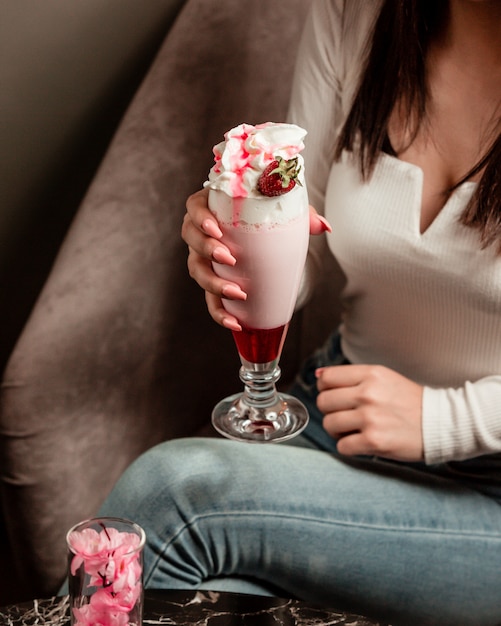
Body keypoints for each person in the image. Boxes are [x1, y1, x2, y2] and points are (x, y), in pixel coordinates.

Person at [99, 1, 501, 624]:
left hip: (488, 490)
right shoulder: (355, 12)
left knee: (170, 497)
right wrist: (240, 248)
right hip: (331, 416)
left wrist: (445, 419)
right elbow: (301, 229)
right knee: (203, 591)